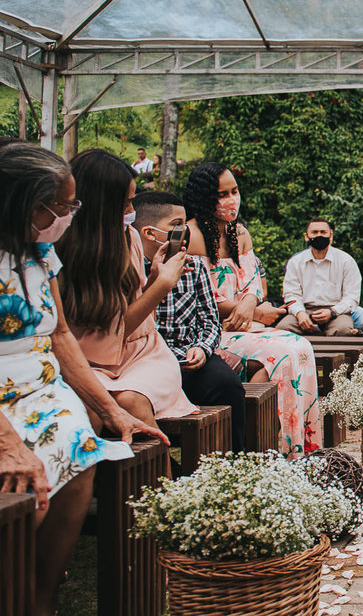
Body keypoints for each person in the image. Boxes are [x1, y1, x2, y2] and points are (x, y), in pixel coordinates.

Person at [0, 143, 166, 616]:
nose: (69, 216)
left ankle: (43, 597)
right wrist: (8, 445)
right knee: (27, 489)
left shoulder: (41, 253)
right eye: (62, 206)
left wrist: (111, 410)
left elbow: (60, 335)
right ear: (25, 204)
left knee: (81, 449)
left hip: (43, 388)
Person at [182, 162, 321, 456]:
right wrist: (250, 311)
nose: (232, 199)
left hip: (245, 327)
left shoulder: (240, 233)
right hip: (213, 332)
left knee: (301, 347)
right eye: (222, 194)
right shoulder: (189, 236)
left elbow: (256, 286)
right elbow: (195, 298)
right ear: (205, 197)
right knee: (280, 356)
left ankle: (293, 446)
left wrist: (249, 304)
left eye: (234, 191)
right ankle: (260, 446)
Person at [56, 149, 195, 429]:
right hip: (85, 360)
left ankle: (158, 459)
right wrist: (162, 285)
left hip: (142, 355)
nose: (132, 212)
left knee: (132, 402)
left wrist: (155, 280)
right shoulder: (60, 249)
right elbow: (110, 334)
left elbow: (138, 320)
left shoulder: (128, 237)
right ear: (100, 205)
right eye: (127, 204)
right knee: (89, 409)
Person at [133, 191, 247, 452]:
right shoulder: (131, 268)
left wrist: (202, 349)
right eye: (177, 226)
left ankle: (236, 462)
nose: (185, 232)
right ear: (149, 233)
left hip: (190, 357)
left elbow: (210, 321)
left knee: (228, 385)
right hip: (147, 360)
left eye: (185, 224)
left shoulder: (194, 266)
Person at [279, 218, 361, 336]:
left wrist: (332, 312)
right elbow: (291, 294)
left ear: (331, 236)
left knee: (343, 330)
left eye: (323, 232)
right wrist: (300, 313)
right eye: (314, 232)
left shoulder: (346, 261)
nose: (319, 236)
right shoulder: (296, 262)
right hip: (304, 310)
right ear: (306, 236)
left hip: (336, 312)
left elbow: (352, 297)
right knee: (283, 329)